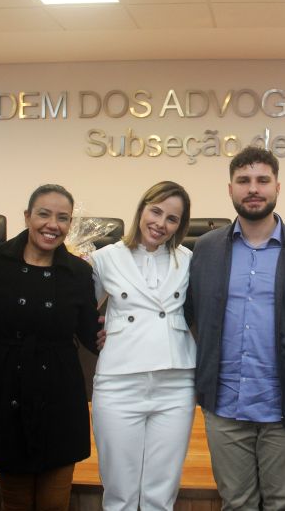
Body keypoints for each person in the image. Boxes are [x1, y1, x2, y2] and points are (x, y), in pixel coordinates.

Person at [186, 146, 285, 511]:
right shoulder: (205, 249)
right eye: (244, 180)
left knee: (282, 503)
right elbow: (186, 315)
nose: (253, 188)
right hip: (223, 404)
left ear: (277, 187)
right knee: (236, 503)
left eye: (262, 180)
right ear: (230, 189)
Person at [0, 184, 100, 511]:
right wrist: (3, 333)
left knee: (54, 502)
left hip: (60, 391)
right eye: (44, 214)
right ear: (27, 216)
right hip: (7, 385)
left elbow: (90, 334)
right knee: (14, 501)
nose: (52, 224)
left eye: (62, 217)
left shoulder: (79, 272)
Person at [90, 181, 195, 511]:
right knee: (119, 493)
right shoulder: (105, 258)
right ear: (142, 209)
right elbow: (79, 313)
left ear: (180, 225)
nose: (161, 224)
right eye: (156, 211)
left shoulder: (189, 260)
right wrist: (95, 333)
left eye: (172, 219)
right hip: (119, 382)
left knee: (160, 494)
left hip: (175, 383)